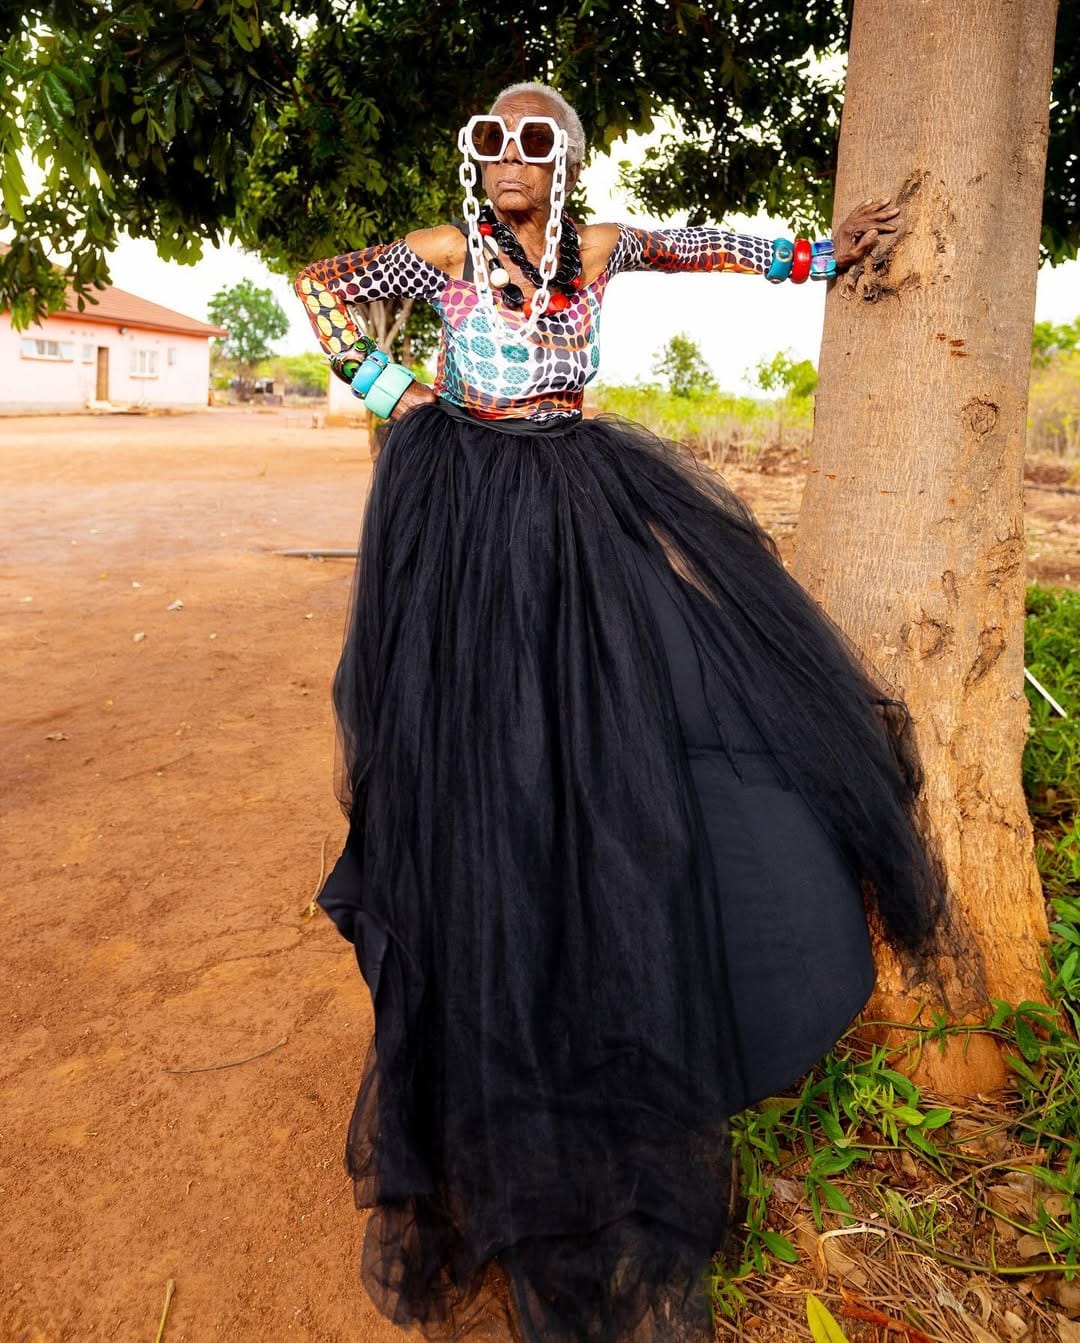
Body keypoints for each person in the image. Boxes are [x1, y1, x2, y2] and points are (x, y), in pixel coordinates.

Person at [294, 81, 948, 1343]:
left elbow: (710, 242)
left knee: (632, 731)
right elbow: (324, 281)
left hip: (577, 513)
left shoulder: (600, 247)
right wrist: (392, 392)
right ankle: (490, 1077)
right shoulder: (439, 257)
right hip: (468, 522)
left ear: (568, 158)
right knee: (481, 765)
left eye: (529, 139)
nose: (502, 157)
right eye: (486, 138)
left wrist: (821, 249)